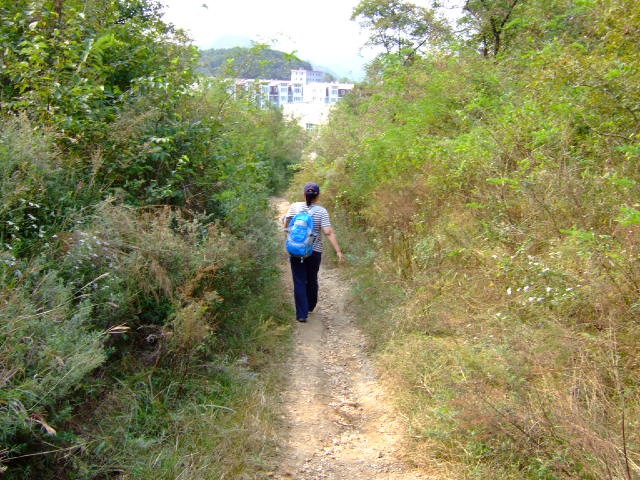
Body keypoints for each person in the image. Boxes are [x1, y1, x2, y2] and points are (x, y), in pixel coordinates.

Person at [284, 182, 345, 323]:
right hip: (314, 251)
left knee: (299, 281)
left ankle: (301, 314)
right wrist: (338, 251)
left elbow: (286, 225)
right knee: (311, 278)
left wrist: (290, 241)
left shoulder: (294, 207)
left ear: (304, 194)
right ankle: (310, 305)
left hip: (296, 250)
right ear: (317, 196)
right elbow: (328, 232)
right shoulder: (321, 211)